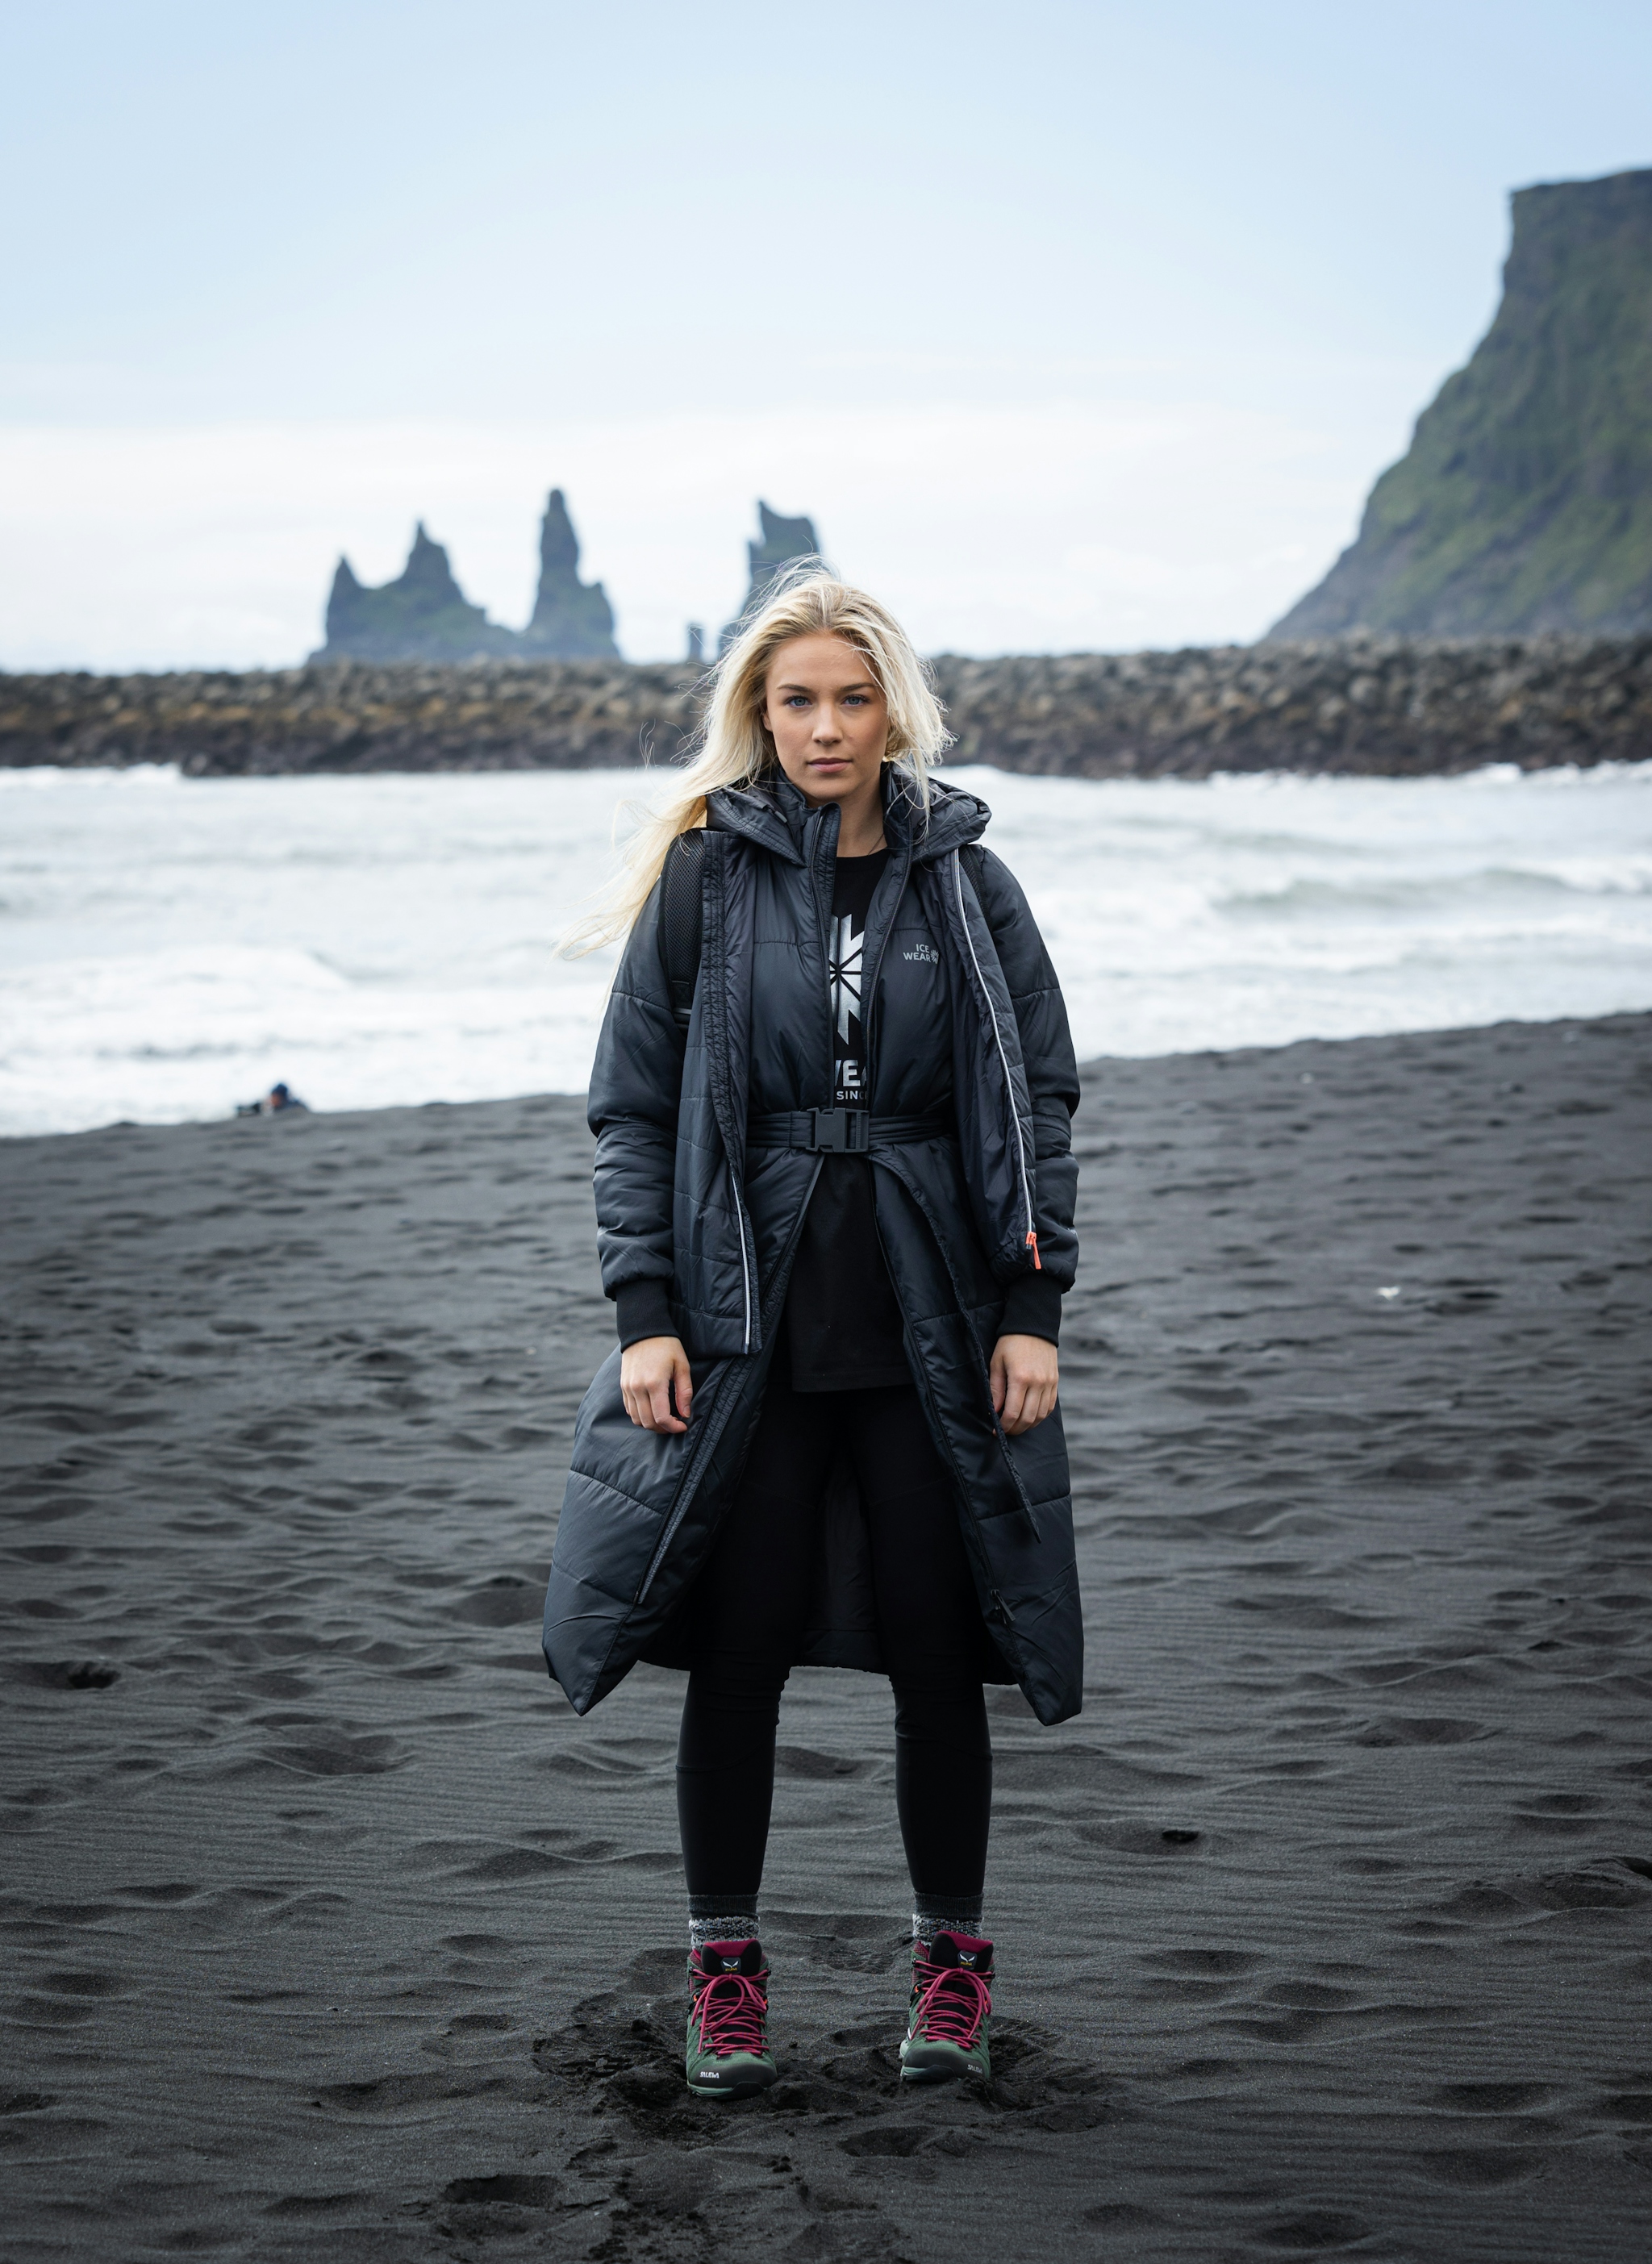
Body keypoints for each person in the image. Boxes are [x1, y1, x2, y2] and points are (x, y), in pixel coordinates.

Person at [543, 570, 1080, 2099]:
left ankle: (951, 1977)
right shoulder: (708, 880)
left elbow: (1036, 1098)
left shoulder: (966, 882)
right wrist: (645, 1314)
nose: (826, 727)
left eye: (853, 698)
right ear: (760, 716)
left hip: (929, 1317)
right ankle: (724, 1980)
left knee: (936, 1650)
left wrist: (1033, 1307)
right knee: (741, 1652)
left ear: (893, 710)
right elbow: (633, 1108)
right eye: (797, 701)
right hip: (747, 1321)